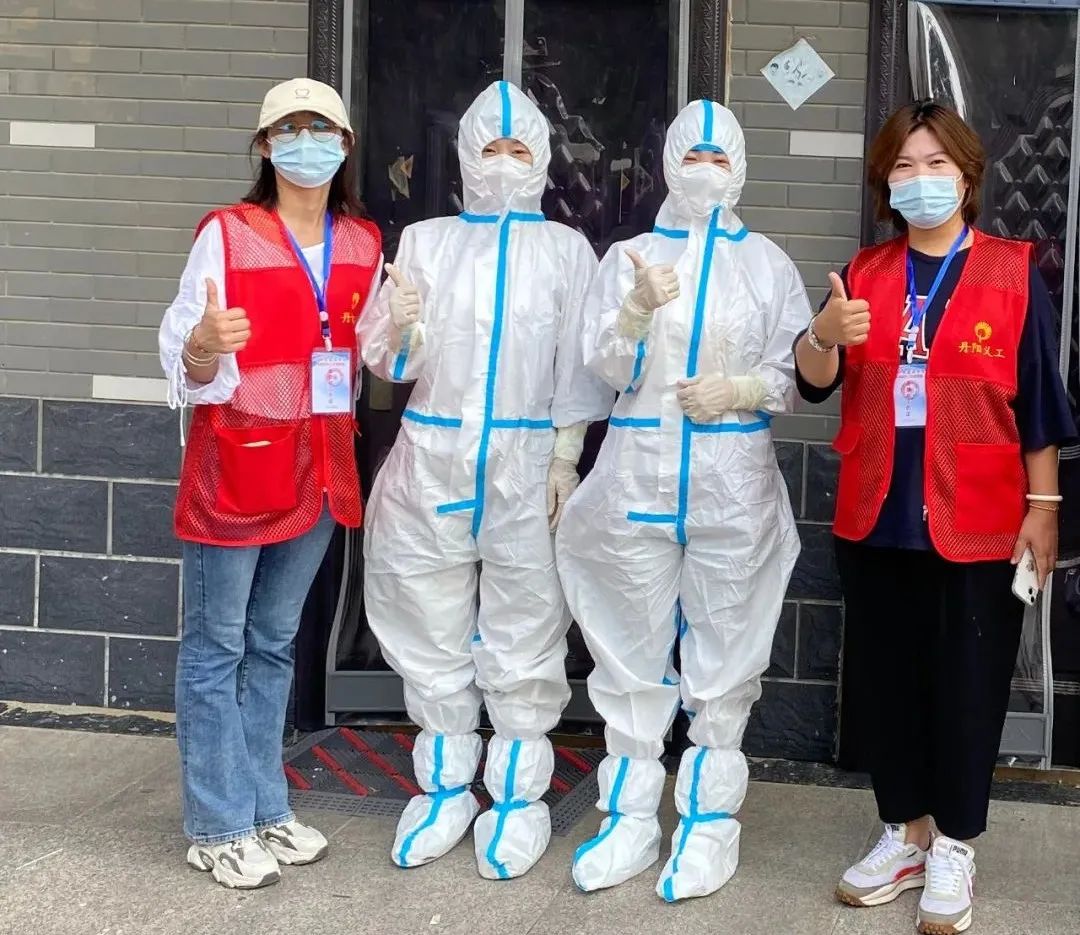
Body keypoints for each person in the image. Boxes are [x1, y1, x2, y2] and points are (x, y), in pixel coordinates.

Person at [795, 100, 1073, 935]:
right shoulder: (867, 271)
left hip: (979, 519)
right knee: (888, 686)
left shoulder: (1011, 271)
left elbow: (1039, 404)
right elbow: (813, 381)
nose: (921, 179)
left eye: (937, 164)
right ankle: (905, 832)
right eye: (904, 166)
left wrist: (1045, 507)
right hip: (877, 516)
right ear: (886, 181)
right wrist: (821, 333)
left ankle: (955, 842)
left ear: (967, 175)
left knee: (967, 685)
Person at [358, 80, 613, 880]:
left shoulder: (567, 250)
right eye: (489, 148)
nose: (503, 162)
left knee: (526, 628)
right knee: (427, 620)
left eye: (519, 148)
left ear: (541, 158)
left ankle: (516, 797)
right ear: (466, 156)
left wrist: (566, 457)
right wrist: (402, 325)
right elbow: (391, 360)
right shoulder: (425, 242)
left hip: (526, 459)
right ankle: (442, 789)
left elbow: (579, 364)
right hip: (432, 454)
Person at [555, 99, 808, 902]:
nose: (704, 170)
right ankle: (629, 819)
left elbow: (794, 374)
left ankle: (707, 825)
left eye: (718, 158)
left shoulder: (767, 265)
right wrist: (635, 312)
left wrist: (738, 390)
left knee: (725, 663)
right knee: (629, 657)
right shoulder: (628, 256)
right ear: (669, 163)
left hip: (733, 490)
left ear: (739, 168)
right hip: (637, 481)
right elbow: (604, 369)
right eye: (691, 157)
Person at [158, 78, 382, 889]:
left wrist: (409, 327)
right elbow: (183, 353)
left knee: (273, 641)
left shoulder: (363, 242)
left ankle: (262, 805)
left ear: (345, 146)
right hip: (238, 464)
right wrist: (202, 345)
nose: (306, 142)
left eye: (322, 128)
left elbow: (377, 351)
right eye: (290, 128)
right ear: (264, 145)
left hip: (320, 469)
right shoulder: (228, 233)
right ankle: (216, 823)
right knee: (216, 645)